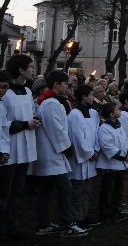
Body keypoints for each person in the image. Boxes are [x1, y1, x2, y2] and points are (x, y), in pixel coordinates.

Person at [32, 70, 88, 238]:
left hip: (52, 153)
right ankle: (68, 224)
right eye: (65, 83)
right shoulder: (51, 104)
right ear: (56, 84)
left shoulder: (52, 102)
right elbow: (56, 130)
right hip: (52, 154)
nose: (67, 86)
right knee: (65, 188)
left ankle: (44, 224)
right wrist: (67, 148)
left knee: (46, 190)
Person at [1, 55, 39, 241]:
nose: (32, 70)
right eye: (30, 67)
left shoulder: (28, 91)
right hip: (10, 149)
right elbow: (3, 123)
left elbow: (31, 112)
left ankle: (13, 226)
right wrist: (25, 125)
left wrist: (35, 120)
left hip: (26, 148)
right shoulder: (6, 94)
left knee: (17, 191)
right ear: (21, 70)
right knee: (5, 193)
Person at [68, 85, 101, 230]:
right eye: (91, 95)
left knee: (87, 189)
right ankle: (76, 217)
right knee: (77, 190)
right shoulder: (75, 114)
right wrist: (90, 153)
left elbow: (97, 132)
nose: (93, 97)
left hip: (92, 155)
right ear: (83, 97)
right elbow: (77, 138)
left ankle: (84, 213)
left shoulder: (93, 113)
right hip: (80, 159)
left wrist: (97, 149)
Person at [96, 102, 128, 223]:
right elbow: (108, 147)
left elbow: (124, 140)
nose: (119, 111)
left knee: (118, 189)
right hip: (110, 165)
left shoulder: (118, 125)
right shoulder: (104, 128)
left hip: (120, 164)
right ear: (111, 114)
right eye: (117, 109)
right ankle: (105, 214)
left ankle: (115, 210)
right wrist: (123, 156)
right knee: (108, 190)